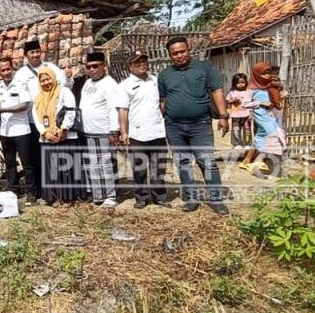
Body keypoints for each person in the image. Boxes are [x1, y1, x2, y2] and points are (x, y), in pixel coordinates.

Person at [157, 37, 230, 215]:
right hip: (174, 126)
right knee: (183, 162)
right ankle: (191, 198)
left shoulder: (204, 68)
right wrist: (167, 117)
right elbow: (162, 100)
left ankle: (216, 199)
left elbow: (216, 91)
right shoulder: (165, 75)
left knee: (206, 161)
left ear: (188, 49)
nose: (179, 55)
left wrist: (223, 115)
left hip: (200, 125)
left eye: (182, 51)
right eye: (175, 53)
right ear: (170, 55)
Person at [14, 40, 72, 197]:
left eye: (37, 51)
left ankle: (59, 190)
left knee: (54, 156)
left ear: (41, 52)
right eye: (31, 53)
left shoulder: (51, 68)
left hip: (54, 120)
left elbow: (65, 88)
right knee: (35, 155)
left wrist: (68, 77)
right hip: (33, 120)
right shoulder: (21, 74)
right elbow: (20, 96)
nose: (35, 55)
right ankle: (40, 190)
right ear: (26, 55)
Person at [117, 50, 169, 208]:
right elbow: (123, 110)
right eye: (137, 62)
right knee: (139, 169)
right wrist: (124, 132)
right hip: (137, 133)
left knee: (158, 167)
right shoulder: (125, 85)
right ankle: (141, 197)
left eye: (144, 61)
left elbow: (161, 102)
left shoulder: (155, 80)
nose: (142, 64)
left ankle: (159, 197)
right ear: (130, 66)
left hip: (157, 131)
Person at [77, 52, 127, 207]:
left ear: (104, 66)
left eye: (95, 66)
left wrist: (114, 131)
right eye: (89, 67)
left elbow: (113, 109)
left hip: (104, 131)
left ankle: (110, 196)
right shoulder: (88, 83)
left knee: (106, 164)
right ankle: (98, 195)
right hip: (89, 132)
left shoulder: (109, 84)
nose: (92, 69)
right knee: (93, 164)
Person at [33, 67, 83, 206]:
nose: (46, 82)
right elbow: (36, 118)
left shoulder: (63, 91)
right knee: (52, 169)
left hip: (64, 137)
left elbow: (71, 111)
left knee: (65, 168)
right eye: (42, 80)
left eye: (48, 78)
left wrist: (63, 129)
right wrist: (45, 133)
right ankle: (54, 197)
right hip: (47, 138)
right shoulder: (38, 98)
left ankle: (68, 198)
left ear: (53, 78)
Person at [0, 57, 38, 200]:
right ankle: (14, 191)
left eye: (8, 69)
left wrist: (3, 110)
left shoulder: (20, 85)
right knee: (9, 164)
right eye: (3, 70)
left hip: (21, 130)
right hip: (5, 131)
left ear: (12, 68)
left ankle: (31, 192)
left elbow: (25, 105)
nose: (6, 72)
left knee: (27, 163)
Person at [240, 62, 288, 177]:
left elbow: (277, 96)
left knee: (261, 137)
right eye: (263, 74)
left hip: (271, 114)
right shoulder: (251, 88)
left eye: (268, 73)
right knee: (274, 134)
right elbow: (245, 104)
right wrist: (261, 103)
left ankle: (246, 161)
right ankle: (260, 162)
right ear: (257, 74)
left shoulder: (270, 85)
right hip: (261, 114)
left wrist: (279, 95)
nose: (267, 76)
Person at [226, 73, 253, 150]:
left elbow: (251, 102)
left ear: (246, 82)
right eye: (238, 82)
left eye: (242, 82)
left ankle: (247, 143)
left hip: (246, 114)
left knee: (247, 130)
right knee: (236, 129)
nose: (240, 84)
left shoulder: (249, 92)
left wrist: (251, 113)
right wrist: (233, 101)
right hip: (236, 115)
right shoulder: (232, 92)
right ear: (234, 83)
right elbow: (227, 101)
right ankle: (236, 144)